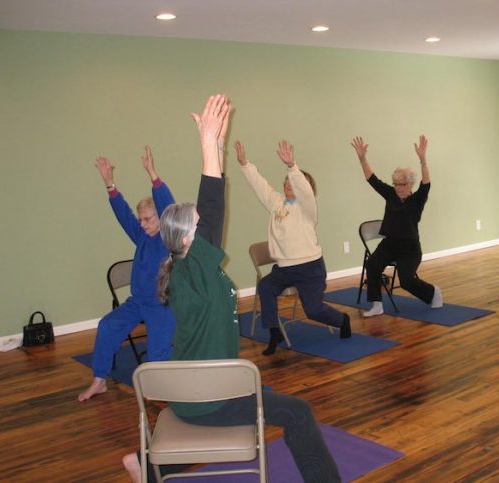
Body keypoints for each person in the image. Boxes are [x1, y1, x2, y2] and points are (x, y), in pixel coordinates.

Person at [123, 95, 341, 483]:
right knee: (299, 412)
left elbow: (208, 212)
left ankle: (146, 467)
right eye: (198, 224)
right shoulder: (194, 270)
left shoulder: (182, 269)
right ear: (188, 238)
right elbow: (213, 203)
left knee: (258, 392)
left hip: (195, 389)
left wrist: (219, 148)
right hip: (208, 396)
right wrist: (209, 147)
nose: (205, 224)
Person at [234, 139, 352, 356]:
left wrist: (292, 166)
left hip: (310, 268)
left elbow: (304, 190)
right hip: (284, 269)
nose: (290, 183)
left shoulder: (307, 209)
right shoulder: (276, 203)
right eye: (287, 181)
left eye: (294, 182)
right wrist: (245, 164)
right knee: (266, 287)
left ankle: (342, 320)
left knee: (313, 310)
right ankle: (274, 332)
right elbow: (260, 186)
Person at [78, 146, 176, 402]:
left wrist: (153, 175)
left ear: (161, 218)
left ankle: (163, 391)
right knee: (107, 326)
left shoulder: (168, 238)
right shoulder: (142, 235)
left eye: (147, 219)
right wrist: (110, 184)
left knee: (157, 353)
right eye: (141, 219)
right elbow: (123, 214)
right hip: (137, 303)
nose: (141, 224)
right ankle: (99, 380)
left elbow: (167, 205)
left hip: (162, 305)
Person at [350, 135, 442, 317]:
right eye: (396, 184)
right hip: (390, 244)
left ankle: (432, 292)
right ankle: (377, 305)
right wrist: (362, 158)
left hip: (410, 248)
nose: (399, 187)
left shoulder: (417, 200)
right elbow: (372, 179)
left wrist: (423, 160)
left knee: (406, 280)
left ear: (410, 184)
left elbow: (427, 183)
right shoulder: (390, 194)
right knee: (373, 264)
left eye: (403, 184)